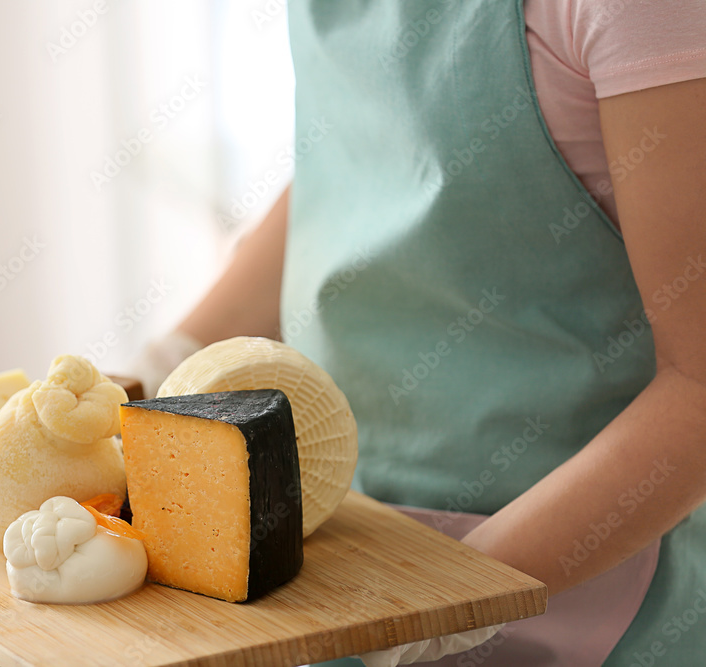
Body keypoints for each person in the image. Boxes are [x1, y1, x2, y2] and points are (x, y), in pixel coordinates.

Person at [130, 0, 706, 664]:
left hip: (586, 606)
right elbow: (365, 161)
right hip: (343, 566)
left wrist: (451, 596)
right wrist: (166, 363)